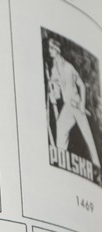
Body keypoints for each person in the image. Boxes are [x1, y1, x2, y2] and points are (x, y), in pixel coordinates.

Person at [46, 37, 101, 167]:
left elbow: (81, 85)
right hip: (68, 106)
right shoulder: (54, 69)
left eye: (52, 48)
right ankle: (61, 161)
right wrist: (53, 94)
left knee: (88, 137)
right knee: (61, 126)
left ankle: (97, 166)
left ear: (57, 49)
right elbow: (57, 91)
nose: (50, 50)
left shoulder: (68, 67)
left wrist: (82, 104)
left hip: (76, 104)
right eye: (49, 48)